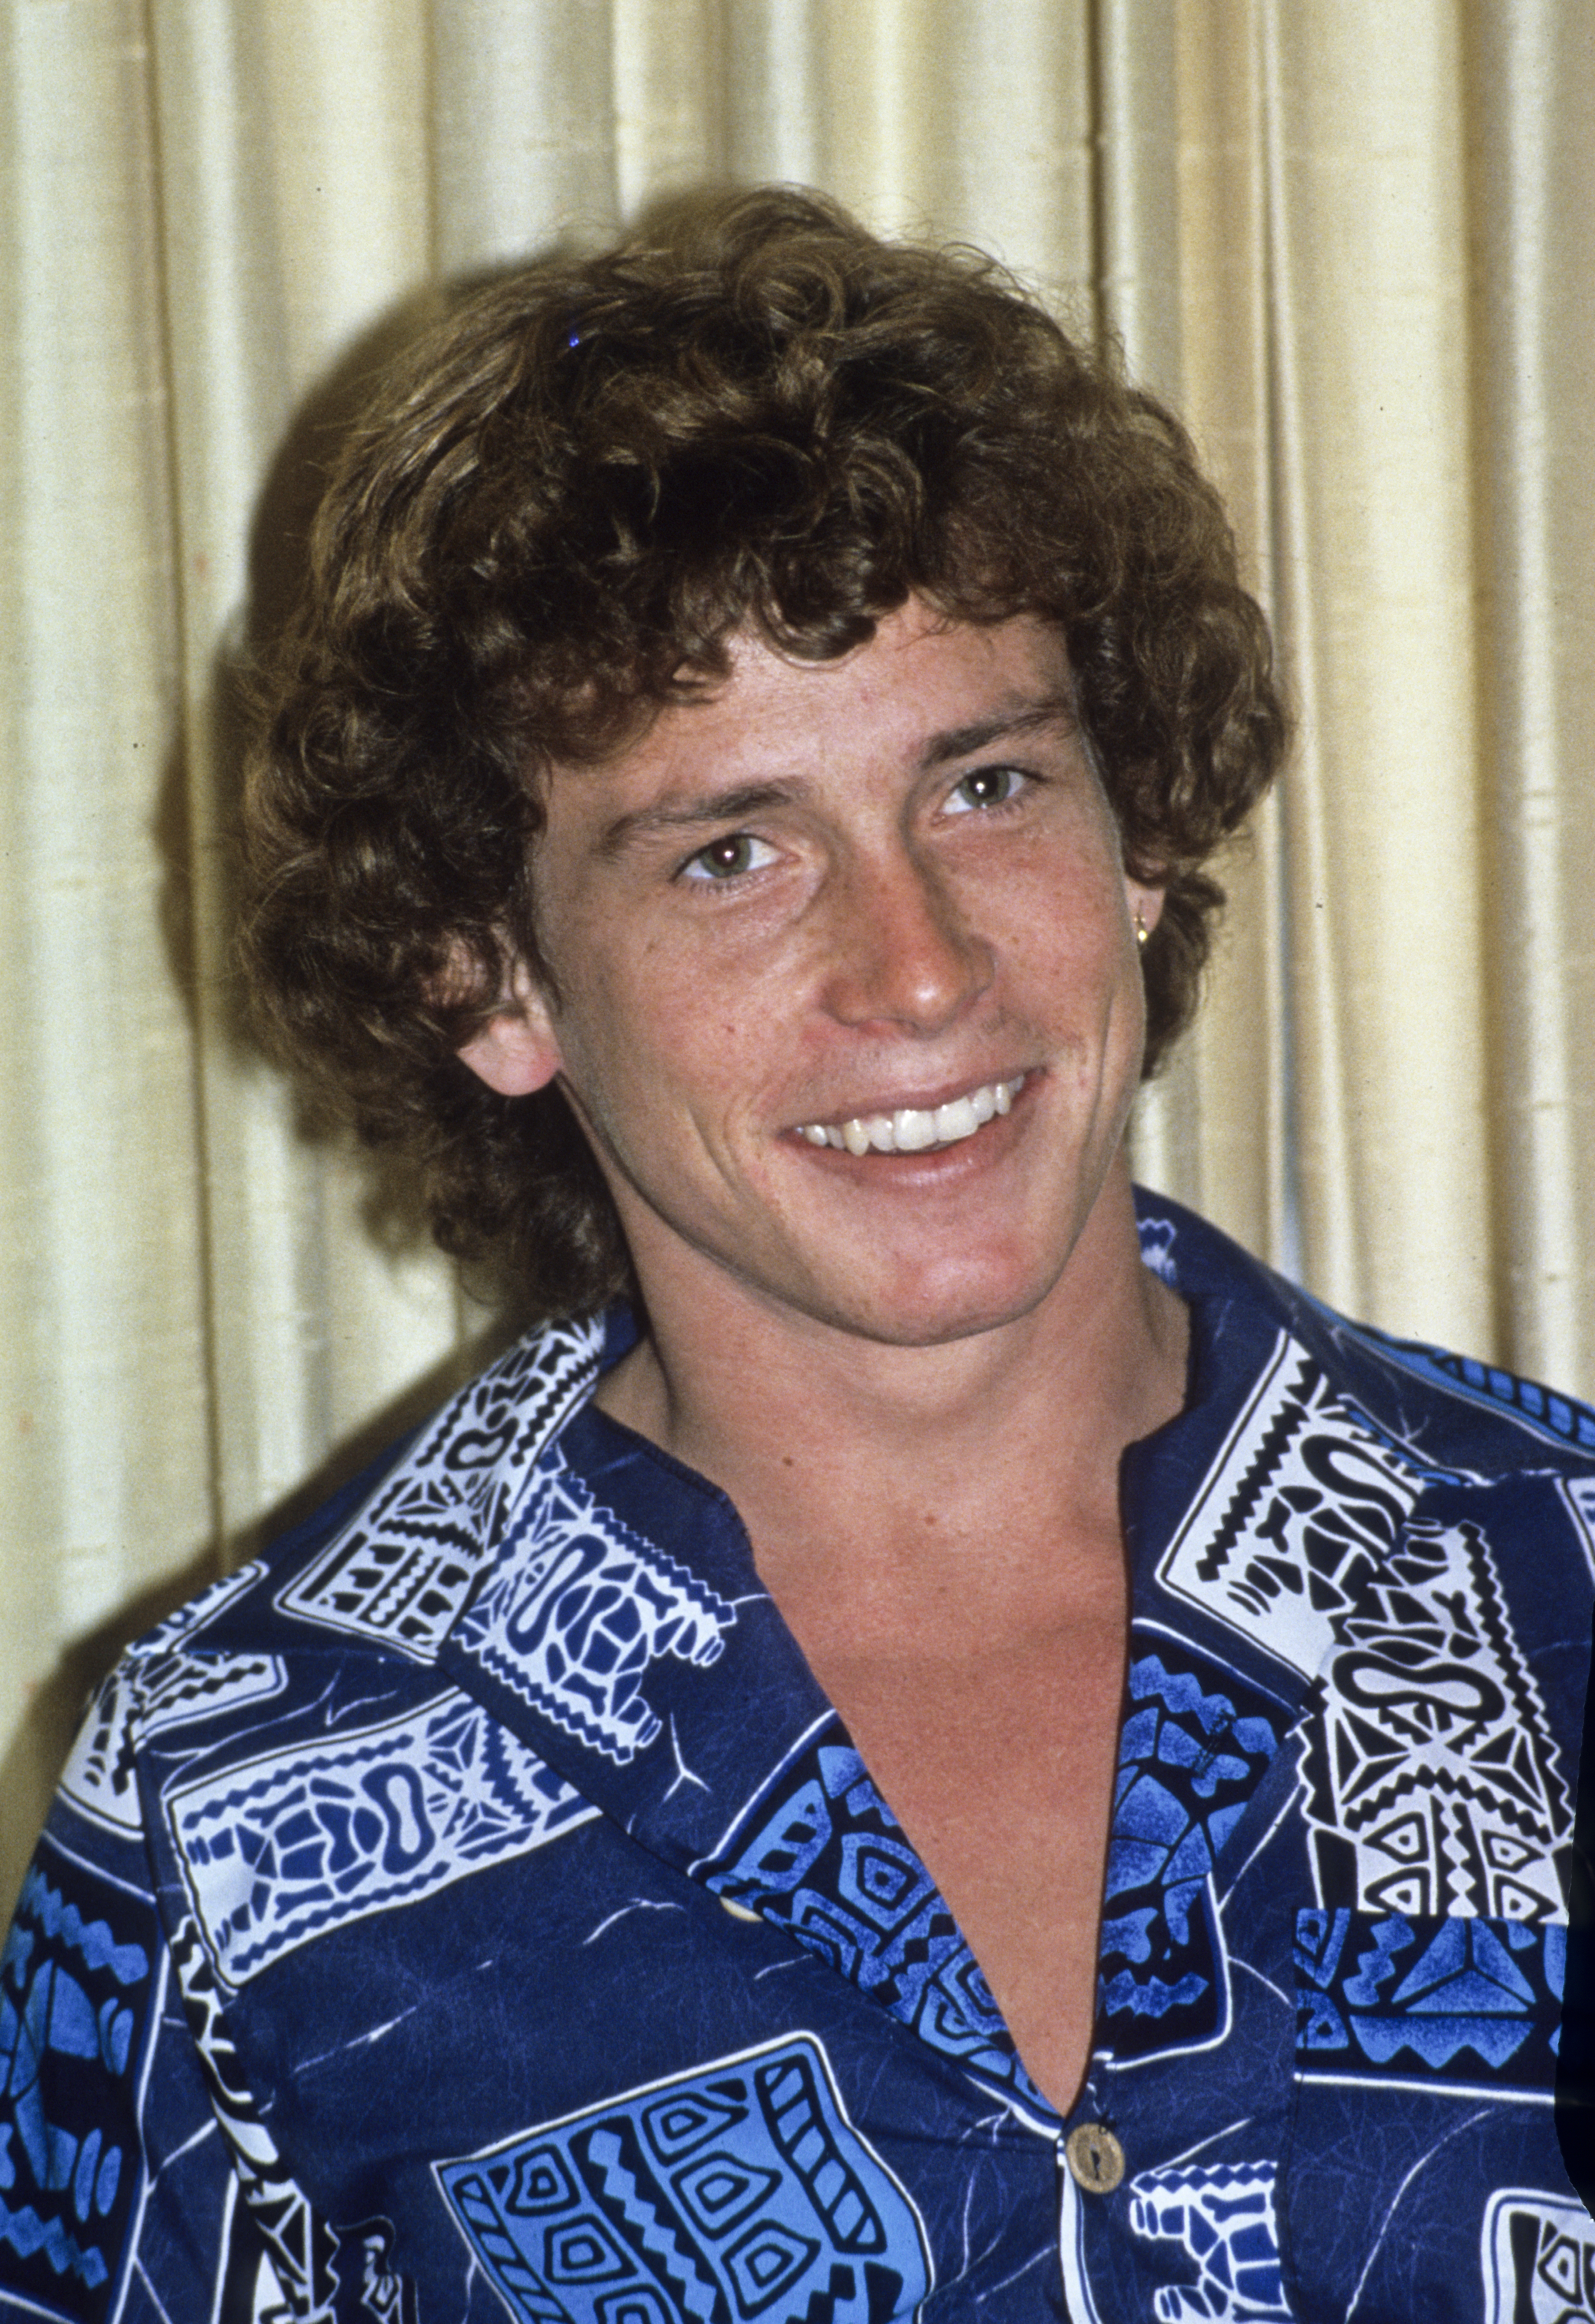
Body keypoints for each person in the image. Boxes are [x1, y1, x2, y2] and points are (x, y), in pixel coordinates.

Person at [3, 188, 1592, 2324]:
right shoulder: (224, 1795)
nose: (917, 970)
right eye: (733, 852)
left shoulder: (1562, 1580)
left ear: (1138, 845)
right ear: (488, 977)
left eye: (987, 784)